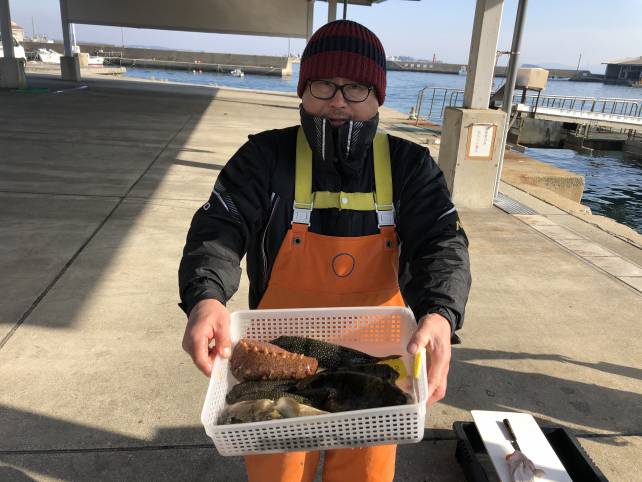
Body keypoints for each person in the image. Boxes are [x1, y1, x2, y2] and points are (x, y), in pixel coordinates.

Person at [179, 20, 471, 482]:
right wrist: (206, 297)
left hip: (377, 360)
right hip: (278, 355)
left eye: (356, 87)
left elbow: (443, 241)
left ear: (377, 96)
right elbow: (219, 228)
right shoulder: (263, 158)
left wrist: (440, 312)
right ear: (304, 90)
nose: (338, 100)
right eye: (324, 84)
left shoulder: (410, 166)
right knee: (278, 471)